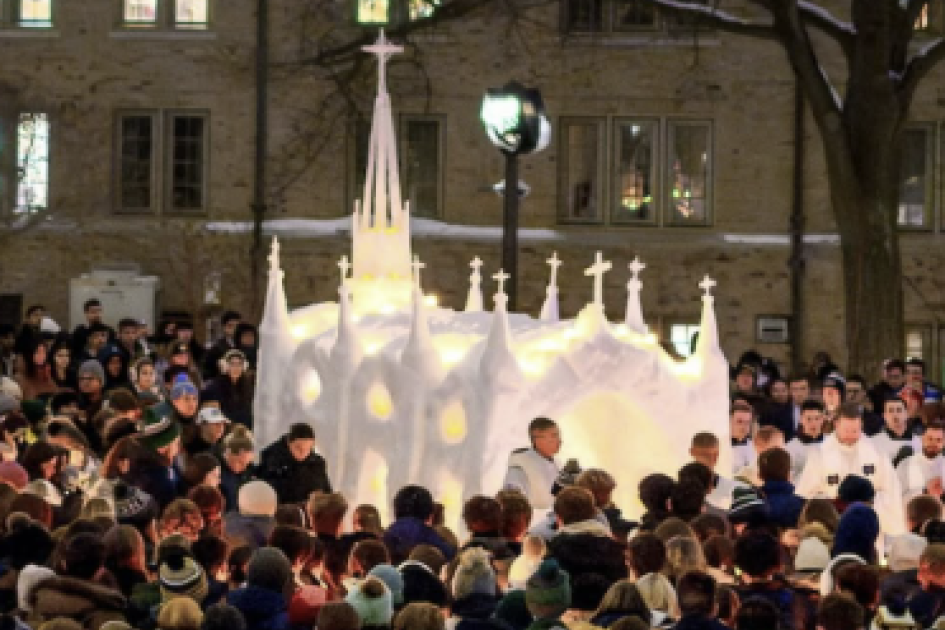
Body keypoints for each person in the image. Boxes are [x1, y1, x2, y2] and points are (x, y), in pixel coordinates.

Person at [795, 402, 905, 536]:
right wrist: (834, 505)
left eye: (855, 430)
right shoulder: (820, 454)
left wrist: (870, 504)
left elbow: (891, 491)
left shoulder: (876, 452)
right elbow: (808, 495)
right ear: (836, 425)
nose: (851, 435)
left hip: (869, 523)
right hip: (832, 524)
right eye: (847, 430)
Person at [257, 422, 331, 504]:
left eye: (308, 449)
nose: (303, 453)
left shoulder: (317, 463)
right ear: (288, 443)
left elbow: (326, 491)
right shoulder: (271, 460)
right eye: (298, 448)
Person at [503, 417, 562, 513]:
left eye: (558, 435)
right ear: (537, 439)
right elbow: (511, 502)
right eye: (553, 435)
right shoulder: (521, 465)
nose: (559, 440)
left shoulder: (557, 463)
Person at [689, 432, 747, 510]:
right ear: (717, 455)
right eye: (703, 455)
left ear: (691, 452)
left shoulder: (678, 492)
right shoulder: (738, 489)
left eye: (707, 456)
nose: (704, 460)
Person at [201, 349, 254, 429]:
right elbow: (212, 415)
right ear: (224, 366)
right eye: (232, 364)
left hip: (245, 431)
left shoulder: (247, 386)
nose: (236, 368)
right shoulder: (213, 387)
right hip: (222, 430)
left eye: (239, 364)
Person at [897, 419, 945, 500]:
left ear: (944, 443)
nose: (933, 443)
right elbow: (895, 497)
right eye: (930, 438)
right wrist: (925, 491)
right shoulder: (905, 465)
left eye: (938, 440)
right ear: (922, 439)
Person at [785, 399, 826, 480]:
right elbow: (788, 478)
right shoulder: (791, 447)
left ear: (822, 419)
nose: (813, 423)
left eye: (817, 418)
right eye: (808, 419)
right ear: (801, 420)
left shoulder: (831, 442)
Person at [871, 396, 916, 465]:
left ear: (907, 414)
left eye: (899, 410)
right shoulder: (872, 443)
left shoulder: (920, 442)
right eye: (890, 411)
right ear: (884, 416)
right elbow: (867, 470)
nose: (895, 414)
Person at [203, 311, 241, 380]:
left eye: (237, 326)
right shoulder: (216, 348)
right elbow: (208, 371)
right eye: (230, 326)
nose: (234, 329)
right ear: (224, 327)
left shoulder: (243, 345)